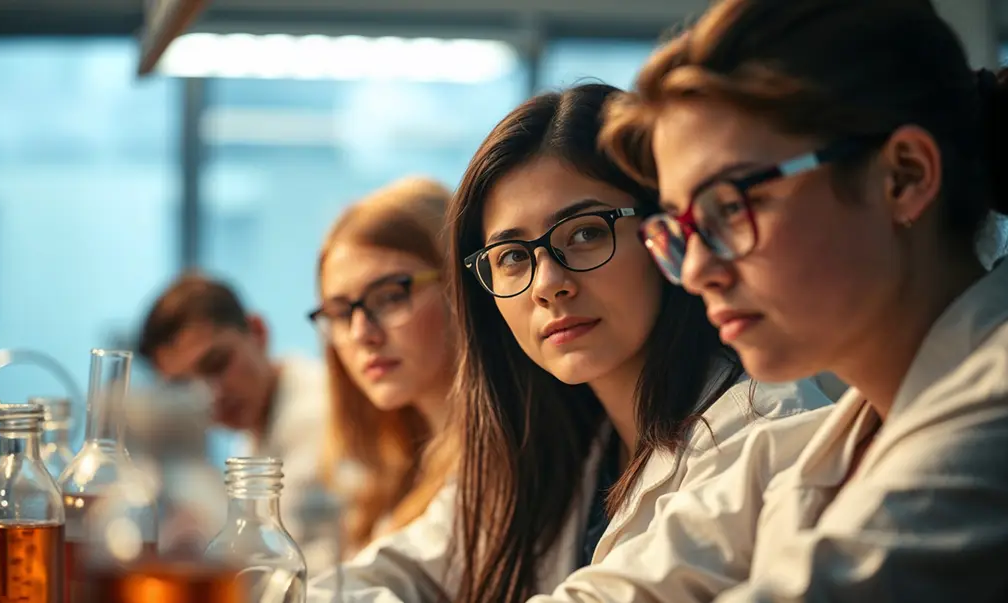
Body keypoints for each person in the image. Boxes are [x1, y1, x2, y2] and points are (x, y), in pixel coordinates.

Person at [309, 84, 836, 603]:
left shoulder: (762, 428)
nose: (547, 284)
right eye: (513, 255)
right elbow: (385, 575)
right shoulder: (557, 446)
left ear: (662, 230)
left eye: (585, 233)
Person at [587, 0, 1008, 599]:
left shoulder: (994, 414)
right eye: (680, 230)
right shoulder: (824, 441)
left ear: (904, 178)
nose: (697, 270)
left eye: (729, 207)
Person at [307, 176, 457, 559]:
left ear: (459, 286)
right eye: (340, 312)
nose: (362, 333)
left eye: (389, 297)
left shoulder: (500, 464)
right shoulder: (400, 464)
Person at [137, 274, 328, 545]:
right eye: (184, 386)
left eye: (217, 363)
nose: (209, 396)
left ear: (258, 332)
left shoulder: (318, 414)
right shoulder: (253, 430)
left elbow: (288, 559)